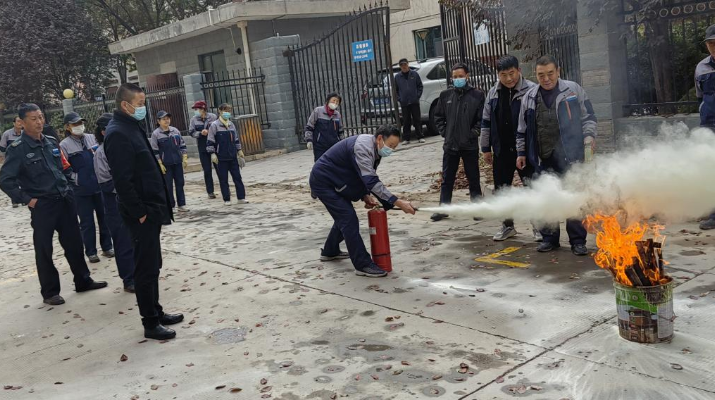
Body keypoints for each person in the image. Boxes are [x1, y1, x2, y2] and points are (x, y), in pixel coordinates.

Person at [0, 103, 107, 305]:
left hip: (65, 200)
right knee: (44, 249)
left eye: (41, 117)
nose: (39, 122)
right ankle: (50, 292)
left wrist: (69, 186)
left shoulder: (50, 142)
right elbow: (6, 180)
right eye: (34, 119)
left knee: (74, 243)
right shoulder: (18, 149)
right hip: (43, 206)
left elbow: (63, 167)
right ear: (22, 122)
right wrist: (28, 200)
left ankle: (83, 280)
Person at [104, 83, 183, 340]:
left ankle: (156, 312)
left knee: (153, 264)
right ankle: (150, 322)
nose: (143, 108)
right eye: (139, 104)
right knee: (145, 268)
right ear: (125, 105)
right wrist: (139, 211)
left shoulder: (131, 126)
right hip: (141, 213)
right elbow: (122, 181)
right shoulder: (117, 133)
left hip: (152, 207)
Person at [309, 125, 416, 278]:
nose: (391, 150)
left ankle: (330, 251)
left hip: (337, 179)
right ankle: (362, 264)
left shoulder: (375, 148)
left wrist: (365, 195)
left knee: (344, 217)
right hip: (324, 181)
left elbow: (361, 173)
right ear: (380, 138)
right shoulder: (363, 148)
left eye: (394, 147)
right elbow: (371, 180)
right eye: (391, 145)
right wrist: (397, 202)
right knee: (348, 219)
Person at [516, 55, 597, 255]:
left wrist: (589, 136)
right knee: (546, 198)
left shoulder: (573, 90)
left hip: (572, 155)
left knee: (573, 199)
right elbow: (522, 129)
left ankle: (578, 241)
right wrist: (521, 152)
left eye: (550, 73)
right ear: (535, 75)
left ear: (558, 71)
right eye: (541, 75)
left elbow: (589, 117)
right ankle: (549, 239)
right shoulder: (529, 97)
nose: (546, 79)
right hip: (542, 157)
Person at [481, 55, 540, 242]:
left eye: (512, 73)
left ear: (519, 71)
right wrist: (486, 148)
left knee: (532, 187)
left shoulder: (531, 90)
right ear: (498, 75)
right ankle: (507, 226)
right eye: (503, 75)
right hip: (502, 149)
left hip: (526, 150)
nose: (508, 79)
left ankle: (539, 226)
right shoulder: (493, 93)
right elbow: (486, 122)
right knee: (502, 189)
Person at [430, 63, 485, 222]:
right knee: (447, 179)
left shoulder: (477, 95)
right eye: (454, 77)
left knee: (473, 178)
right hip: (450, 145)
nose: (457, 79)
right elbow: (438, 117)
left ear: (467, 76)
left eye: (460, 76)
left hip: (469, 145)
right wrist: (445, 132)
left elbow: (481, 119)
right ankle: (443, 209)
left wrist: (473, 133)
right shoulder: (445, 95)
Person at [60, 112, 114, 263]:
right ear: (68, 127)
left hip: (99, 186)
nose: (79, 126)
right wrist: (76, 180)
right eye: (75, 124)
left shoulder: (92, 138)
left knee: (104, 218)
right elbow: (64, 168)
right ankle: (91, 251)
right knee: (86, 222)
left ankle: (107, 247)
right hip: (81, 191)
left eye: (80, 123)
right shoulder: (64, 145)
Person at [92, 113, 135, 293]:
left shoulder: (123, 147)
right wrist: (127, 187)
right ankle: (129, 279)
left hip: (131, 199)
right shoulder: (101, 153)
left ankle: (139, 273)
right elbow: (106, 183)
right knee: (122, 241)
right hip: (115, 202)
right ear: (103, 132)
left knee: (135, 239)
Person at [207, 103, 248, 206]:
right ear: (220, 111)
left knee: (237, 177)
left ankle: (241, 197)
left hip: (232, 156)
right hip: (221, 158)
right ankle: (226, 199)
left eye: (229, 111)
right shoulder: (214, 125)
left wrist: (239, 150)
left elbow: (236, 139)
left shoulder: (231, 124)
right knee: (223, 179)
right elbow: (210, 141)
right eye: (225, 111)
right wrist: (212, 153)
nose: (227, 113)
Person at [695, 24, 715, 230]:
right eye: (710, 43)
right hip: (709, 125)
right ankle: (714, 215)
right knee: (711, 171)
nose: (713, 47)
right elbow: (700, 96)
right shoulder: (701, 67)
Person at [151, 110, 189, 212]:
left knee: (180, 183)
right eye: (164, 119)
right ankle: (171, 206)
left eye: (167, 118)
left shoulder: (175, 131)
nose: (166, 121)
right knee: (168, 185)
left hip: (177, 162)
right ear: (158, 121)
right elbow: (155, 150)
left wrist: (184, 156)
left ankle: (182, 204)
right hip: (165, 164)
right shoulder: (156, 134)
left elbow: (182, 144)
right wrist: (159, 163)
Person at [189, 100, 219, 199]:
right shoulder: (194, 119)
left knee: (219, 168)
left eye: (197, 109)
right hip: (202, 146)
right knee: (207, 170)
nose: (196, 111)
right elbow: (191, 132)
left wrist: (210, 131)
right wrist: (200, 133)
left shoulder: (213, 117)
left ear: (203, 109)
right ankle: (210, 191)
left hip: (214, 145)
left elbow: (218, 128)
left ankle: (225, 188)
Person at [305, 93, 344, 161]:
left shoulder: (337, 114)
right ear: (328, 100)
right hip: (320, 145)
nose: (335, 103)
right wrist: (309, 140)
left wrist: (342, 142)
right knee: (320, 163)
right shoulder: (318, 111)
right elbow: (310, 126)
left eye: (337, 101)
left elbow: (340, 131)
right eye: (333, 100)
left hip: (334, 145)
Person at [395, 58, 425, 145]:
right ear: (400, 66)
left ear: (407, 64)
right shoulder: (397, 77)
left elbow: (420, 86)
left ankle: (420, 136)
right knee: (406, 121)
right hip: (404, 102)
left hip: (414, 101)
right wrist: (400, 99)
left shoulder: (414, 74)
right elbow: (396, 90)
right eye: (402, 65)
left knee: (417, 119)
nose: (404, 66)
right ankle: (406, 138)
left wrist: (417, 96)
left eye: (405, 64)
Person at [1, 116, 24, 207]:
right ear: (14, 123)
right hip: (11, 161)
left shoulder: (25, 133)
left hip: (24, 160)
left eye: (21, 121)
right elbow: (2, 147)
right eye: (18, 121)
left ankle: (24, 199)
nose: (20, 123)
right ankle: (14, 200)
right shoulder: (7, 134)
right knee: (13, 180)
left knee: (24, 180)